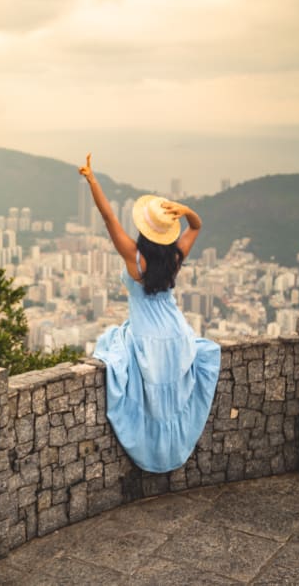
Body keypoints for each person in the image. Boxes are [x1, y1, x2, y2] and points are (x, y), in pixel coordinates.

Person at [79, 153, 220, 473]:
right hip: (176, 333)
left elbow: (107, 217)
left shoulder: (134, 256)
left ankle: (153, 454)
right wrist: (185, 211)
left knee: (144, 389)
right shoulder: (175, 256)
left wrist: (92, 179)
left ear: (144, 229)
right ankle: (171, 452)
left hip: (145, 336)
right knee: (171, 402)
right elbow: (197, 225)